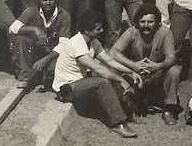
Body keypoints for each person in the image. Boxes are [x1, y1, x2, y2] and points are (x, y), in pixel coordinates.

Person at [52, 10, 141, 138]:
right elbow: (98, 69)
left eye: (101, 28)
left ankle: (127, 112)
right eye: (98, 29)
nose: (101, 31)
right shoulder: (77, 42)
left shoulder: (93, 41)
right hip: (66, 88)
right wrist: (121, 80)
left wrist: (131, 72)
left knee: (113, 75)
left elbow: (109, 60)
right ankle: (118, 124)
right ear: (87, 30)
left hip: (80, 82)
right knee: (103, 81)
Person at [110, 3, 182, 124]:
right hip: (134, 74)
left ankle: (168, 109)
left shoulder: (165, 32)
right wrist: (134, 66)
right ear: (137, 23)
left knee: (174, 70)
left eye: (150, 22)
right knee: (113, 67)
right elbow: (113, 52)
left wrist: (157, 66)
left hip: (156, 74)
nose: (146, 26)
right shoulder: (132, 31)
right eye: (143, 22)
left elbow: (171, 57)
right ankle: (126, 103)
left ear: (158, 22)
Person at [8, 0, 71, 87]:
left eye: (51, 0)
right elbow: (12, 29)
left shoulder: (64, 15)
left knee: (55, 74)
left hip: (53, 53)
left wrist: (45, 60)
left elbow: (64, 44)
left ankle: (42, 74)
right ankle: (25, 76)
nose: (48, 3)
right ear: (39, 0)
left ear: (56, 0)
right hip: (36, 50)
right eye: (44, 0)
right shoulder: (32, 11)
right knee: (21, 39)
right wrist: (33, 29)